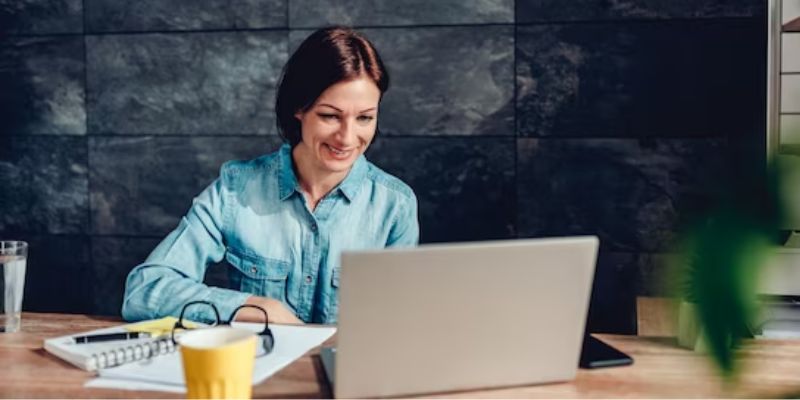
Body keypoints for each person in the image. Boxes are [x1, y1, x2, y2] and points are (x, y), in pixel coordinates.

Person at [121, 26, 419, 325]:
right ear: (298, 109)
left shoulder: (395, 205)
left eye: (365, 117)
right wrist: (253, 307)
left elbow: (402, 324)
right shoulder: (235, 190)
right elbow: (145, 290)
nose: (347, 137)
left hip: (351, 371)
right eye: (330, 116)